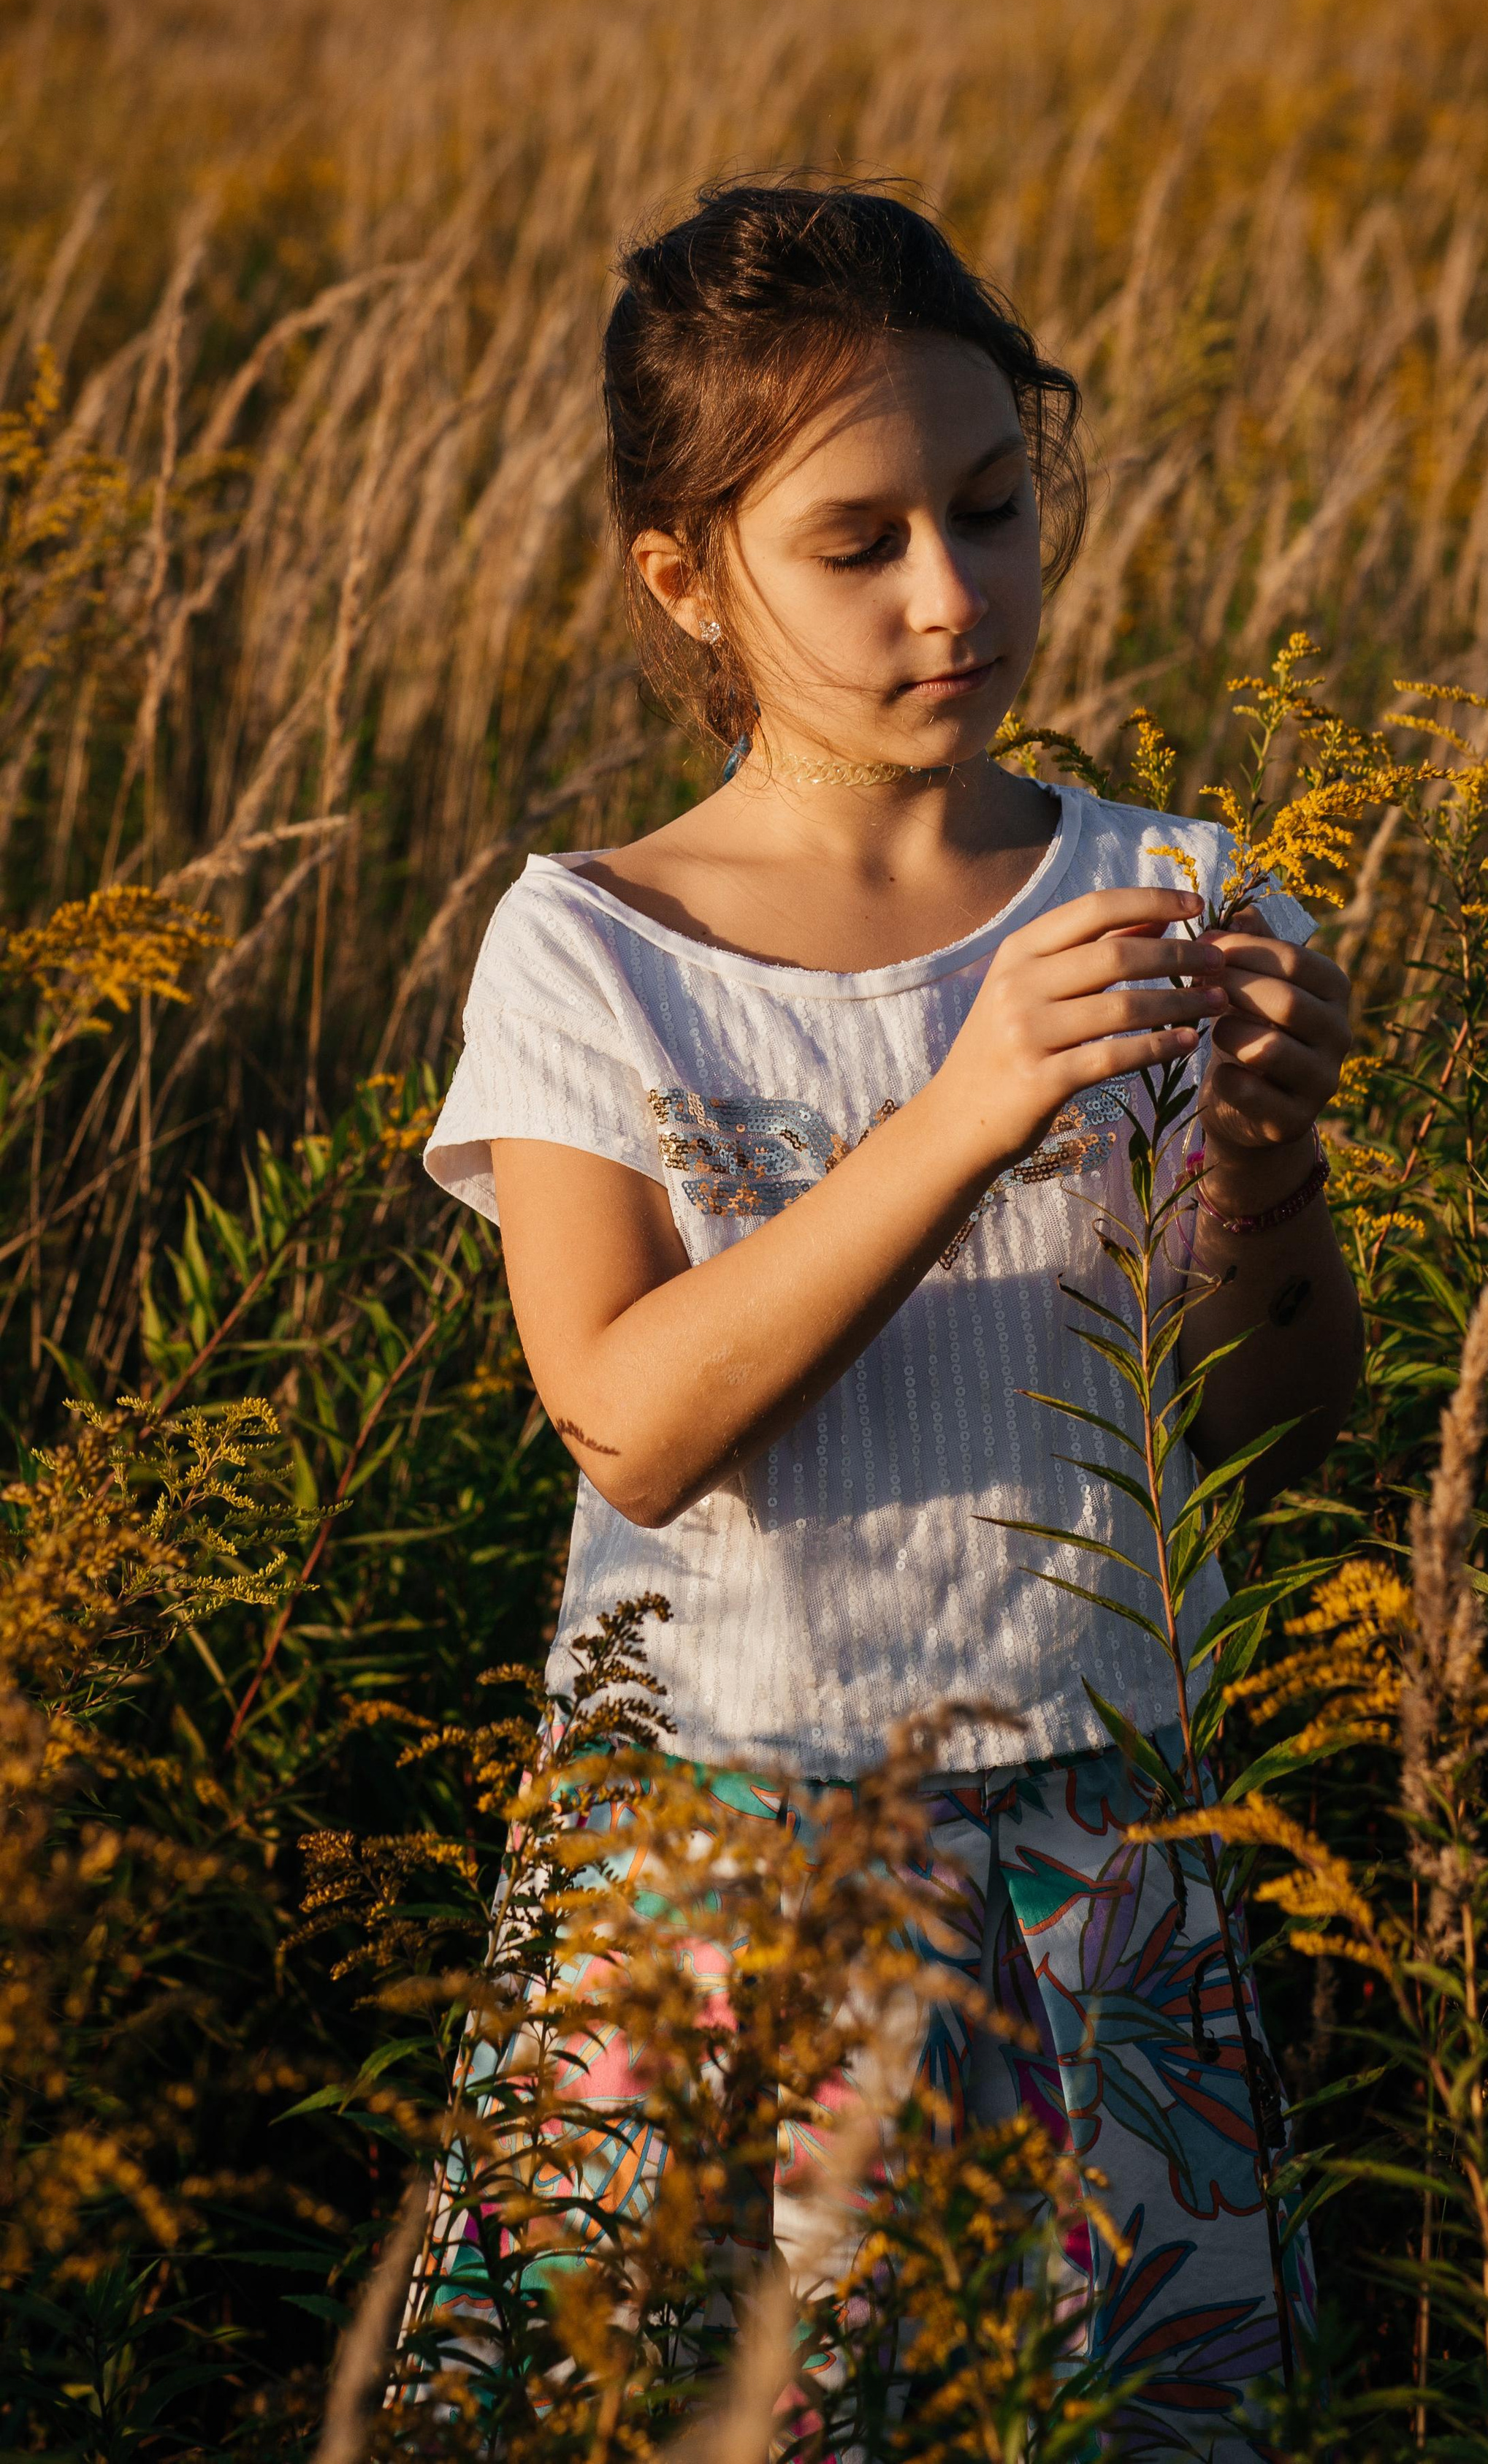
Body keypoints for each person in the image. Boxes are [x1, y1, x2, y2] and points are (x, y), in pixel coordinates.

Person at [419, 179, 1362, 2441]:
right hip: (718, 1870)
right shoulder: (592, 946)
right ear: (687, 577)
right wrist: (955, 1116)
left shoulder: (1168, 892)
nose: (954, 594)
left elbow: (1265, 1428)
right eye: (858, 543)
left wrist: (1269, 1150)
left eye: (996, 505)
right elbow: (633, 1420)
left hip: (1099, 1860)